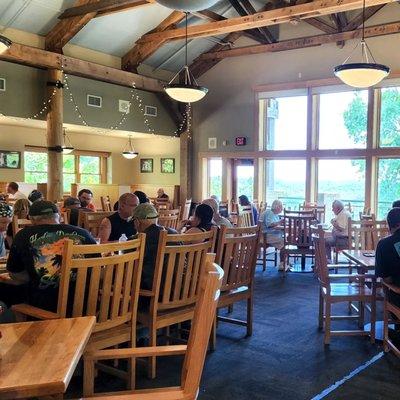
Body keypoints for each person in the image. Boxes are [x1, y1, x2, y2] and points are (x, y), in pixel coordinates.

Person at [0, 200, 96, 312]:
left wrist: (37, 276)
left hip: (44, 308)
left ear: (31, 219)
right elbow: (97, 267)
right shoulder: (84, 233)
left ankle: (17, 324)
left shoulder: (23, 235)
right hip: (85, 308)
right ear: (58, 216)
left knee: (6, 288)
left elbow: (15, 274)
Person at [133, 203, 177, 292]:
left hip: (149, 293)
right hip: (177, 290)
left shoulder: (138, 240)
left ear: (137, 222)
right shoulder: (175, 234)